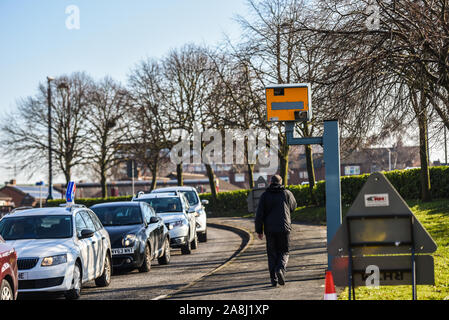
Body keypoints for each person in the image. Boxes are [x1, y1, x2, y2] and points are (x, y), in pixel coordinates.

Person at [255, 174, 297, 287]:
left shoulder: (264, 196)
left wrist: (259, 230)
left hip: (270, 230)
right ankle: (280, 269)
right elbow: (293, 207)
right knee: (284, 251)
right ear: (281, 182)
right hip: (284, 228)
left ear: (270, 182)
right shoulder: (287, 193)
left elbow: (259, 214)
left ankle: (273, 280)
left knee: (272, 254)